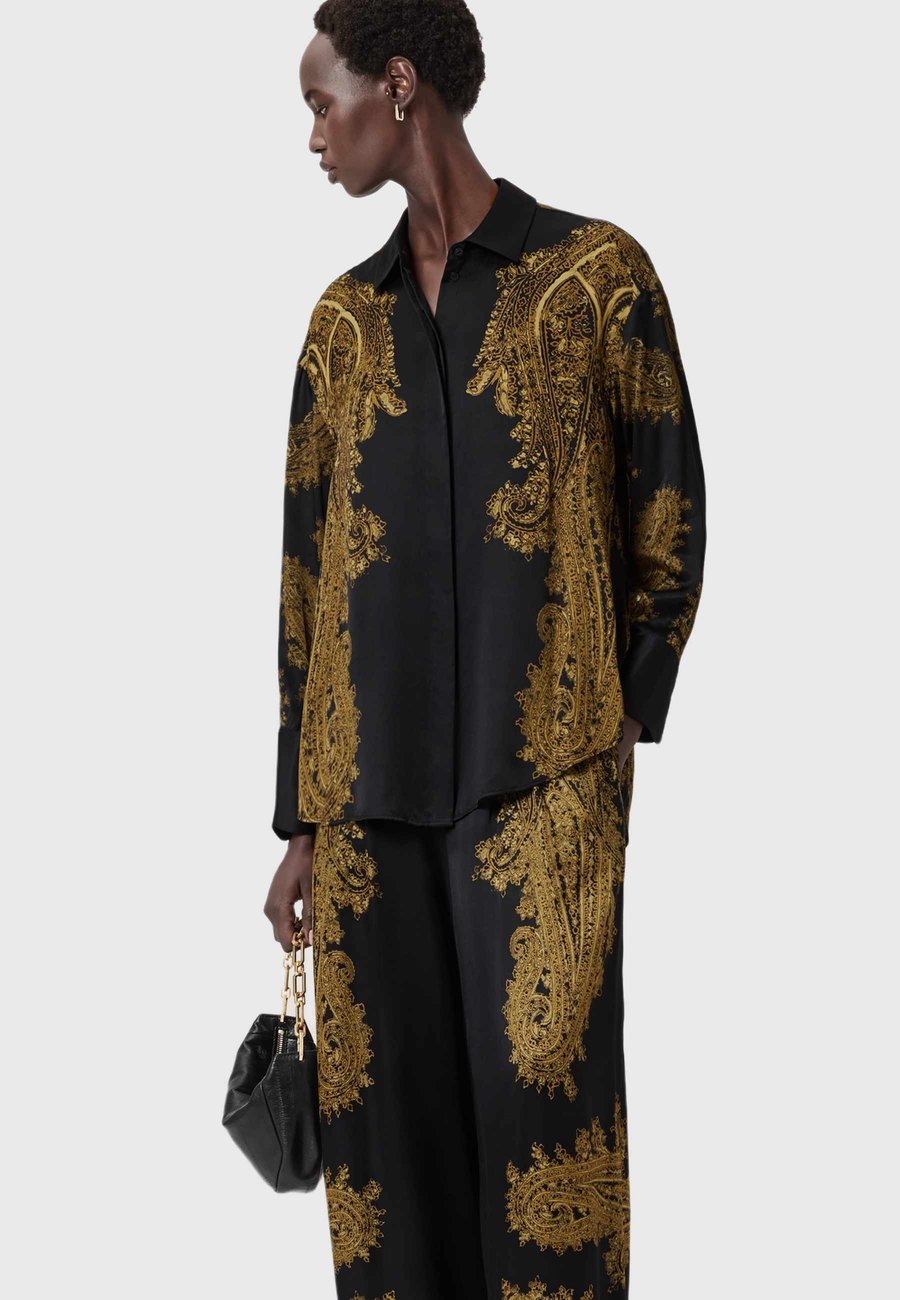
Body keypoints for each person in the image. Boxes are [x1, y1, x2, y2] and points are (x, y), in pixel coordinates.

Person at [263, 1, 707, 1295]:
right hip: (363, 811)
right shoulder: (341, 327)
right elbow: (303, 579)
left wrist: (624, 714)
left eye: (323, 103)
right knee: (386, 1172)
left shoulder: (596, 277)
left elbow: (668, 505)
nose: (313, 136)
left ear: (399, 86)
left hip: (546, 789)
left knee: (547, 1152)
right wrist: (298, 818)